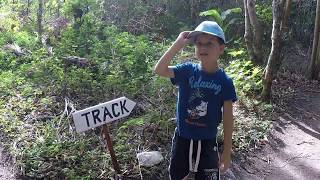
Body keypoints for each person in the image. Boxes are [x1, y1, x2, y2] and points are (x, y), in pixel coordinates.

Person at [154, 21, 237, 180]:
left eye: (209, 44)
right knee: (178, 176)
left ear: (221, 48)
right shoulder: (186, 71)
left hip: (208, 141)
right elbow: (160, 69)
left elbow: (227, 118)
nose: (203, 48)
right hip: (182, 138)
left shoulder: (225, 81)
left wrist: (226, 151)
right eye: (199, 44)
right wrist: (177, 44)